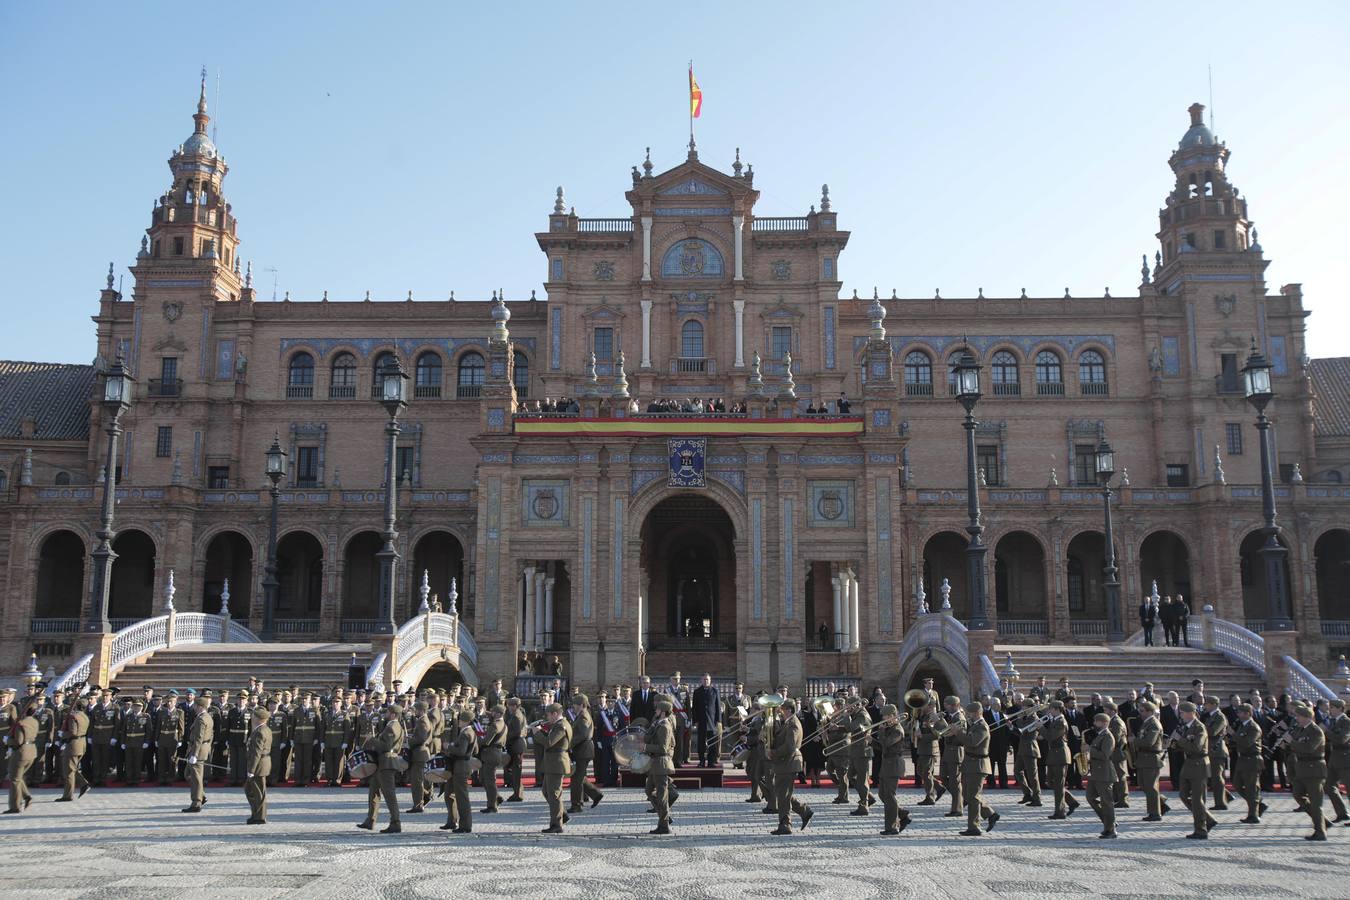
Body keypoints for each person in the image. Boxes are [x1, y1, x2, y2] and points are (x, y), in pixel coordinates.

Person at [357, 703, 405, 834]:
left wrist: (372, 740)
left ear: (393, 714)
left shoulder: (392, 727)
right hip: (383, 763)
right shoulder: (392, 726)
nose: (385, 714)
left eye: (388, 712)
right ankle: (370, 820)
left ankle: (395, 823)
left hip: (387, 763)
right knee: (374, 791)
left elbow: (386, 746)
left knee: (389, 794)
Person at [768, 698, 813, 835]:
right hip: (785, 763)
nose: (780, 712)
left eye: (782, 709)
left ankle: (785, 824)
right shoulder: (787, 723)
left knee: (783, 795)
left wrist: (774, 753)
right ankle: (804, 811)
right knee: (782, 793)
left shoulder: (793, 723)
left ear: (789, 710)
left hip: (789, 762)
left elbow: (790, 746)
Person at [1174, 701, 1217, 839]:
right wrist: (1175, 744)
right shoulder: (1187, 727)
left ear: (1191, 713)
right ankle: (1208, 819)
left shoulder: (1199, 728)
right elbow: (1186, 745)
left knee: (1198, 799)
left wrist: (1180, 740)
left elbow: (1197, 747)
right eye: (1181, 712)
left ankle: (1201, 829)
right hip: (1189, 763)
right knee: (1183, 795)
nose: (1181, 715)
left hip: (1199, 764)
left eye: (1183, 712)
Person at [1288, 702, 1328, 841]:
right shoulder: (1302, 729)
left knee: (1316, 803)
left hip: (1314, 769)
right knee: (1298, 794)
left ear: (1306, 717)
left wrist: (1292, 742)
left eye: (1298, 716)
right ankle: (1322, 822)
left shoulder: (1315, 731)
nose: (1296, 718)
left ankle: (1320, 831)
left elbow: (1308, 748)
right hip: (1302, 769)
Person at [875, 703, 912, 835]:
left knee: (890, 796)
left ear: (892, 715)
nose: (884, 719)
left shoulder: (897, 729)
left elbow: (887, 743)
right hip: (887, 764)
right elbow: (882, 746)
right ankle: (901, 813)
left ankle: (892, 827)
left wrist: (880, 731)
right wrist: (871, 741)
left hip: (894, 764)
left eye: (885, 716)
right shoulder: (889, 728)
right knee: (882, 794)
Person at [1131, 700, 1169, 821]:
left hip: (1151, 758)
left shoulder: (1153, 724)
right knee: (1143, 785)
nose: (1140, 713)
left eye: (1142, 711)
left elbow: (1149, 742)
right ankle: (1160, 802)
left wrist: (1134, 741)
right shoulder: (1146, 723)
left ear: (1150, 712)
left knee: (1150, 787)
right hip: (1144, 759)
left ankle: (1155, 813)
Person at [536, 703, 571, 834]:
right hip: (553, 763)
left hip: (557, 763)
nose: (548, 718)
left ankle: (556, 824)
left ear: (555, 714)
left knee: (554, 794)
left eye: (549, 715)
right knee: (546, 791)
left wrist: (538, 733)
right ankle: (562, 814)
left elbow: (549, 742)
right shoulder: (558, 725)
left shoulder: (561, 726)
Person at [442, 710, 478, 833]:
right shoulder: (470, 732)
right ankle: (452, 821)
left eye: (460, 720)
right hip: (460, 766)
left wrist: (449, 747)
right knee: (449, 793)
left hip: (461, 767)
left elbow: (461, 751)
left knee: (462, 797)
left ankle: (465, 825)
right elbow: (476, 749)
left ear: (465, 721)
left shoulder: (466, 733)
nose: (458, 722)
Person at [1042, 700, 1079, 819]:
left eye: (1051, 709)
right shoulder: (1055, 720)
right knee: (1052, 782)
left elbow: (1051, 737)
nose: (1049, 711)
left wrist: (1040, 727)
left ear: (1057, 709)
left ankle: (1060, 812)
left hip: (1060, 754)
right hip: (1054, 754)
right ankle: (1072, 801)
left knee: (1058, 784)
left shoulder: (1061, 722)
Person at [1230, 702, 1266, 823]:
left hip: (1252, 759)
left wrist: (1233, 735)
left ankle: (1253, 814)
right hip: (1243, 759)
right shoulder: (1243, 725)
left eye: (1240, 712)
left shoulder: (1253, 727)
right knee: (1237, 784)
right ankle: (1257, 803)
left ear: (1248, 713)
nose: (1238, 714)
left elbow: (1247, 742)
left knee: (1251, 788)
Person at [567, 694, 603, 812]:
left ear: (582, 705)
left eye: (575, 705)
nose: (573, 707)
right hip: (583, 750)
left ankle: (577, 805)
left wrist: (569, 744)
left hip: (583, 751)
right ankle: (596, 794)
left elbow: (583, 735)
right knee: (579, 777)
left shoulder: (583, 717)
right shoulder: (582, 715)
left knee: (576, 779)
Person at [1084, 712, 1118, 838]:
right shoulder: (1100, 735)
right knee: (1090, 797)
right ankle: (1109, 822)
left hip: (1104, 773)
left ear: (1104, 723)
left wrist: (1090, 750)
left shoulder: (1108, 736)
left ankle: (1111, 830)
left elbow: (1105, 755)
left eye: (1096, 721)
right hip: (1096, 773)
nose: (1094, 724)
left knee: (1107, 802)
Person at [644, 700, 676, 834]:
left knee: (661, 796)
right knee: (649, 790)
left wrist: (646, 747)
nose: (655, 711)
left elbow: (663, 748)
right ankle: (665, 818)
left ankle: (664, 825)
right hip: (656, 764)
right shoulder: (658, 723)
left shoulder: (665, 726)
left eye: (657, 709)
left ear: (662, 712)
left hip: (661, 764)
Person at [5, 697, 39, 814]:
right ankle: (26, 796)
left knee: (14, 779)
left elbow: (18, 741)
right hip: (32, 751)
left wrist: (8, 741)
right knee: (18, 777)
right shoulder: (35, 721)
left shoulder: (21, 723)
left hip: (21, 752)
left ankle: (14, 806)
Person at [182, 696, 213, 813]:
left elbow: (199, 738)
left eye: (195, 705)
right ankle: (201, 796)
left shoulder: (201, 719)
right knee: (188, 774)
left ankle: (196, 802)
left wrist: (194, 754)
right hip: (201, 749)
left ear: (200, 706)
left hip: (198, 750)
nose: (194, 707)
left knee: (195, 777)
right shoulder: (207, 717)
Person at [56, 697, 91, 802]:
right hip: (82, 744)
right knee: (72, 768)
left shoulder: (73, 716)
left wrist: (63, 734)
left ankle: (69, 794)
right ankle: (83, 784)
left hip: (73, 745)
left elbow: (73, 732)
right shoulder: (85, 716)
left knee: (69, 771)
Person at [244, 706, 272, 824]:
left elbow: (256, 753)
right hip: (261, 764)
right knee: (251, 790)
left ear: (259, 719)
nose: (252, 718)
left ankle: (259, 817)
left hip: (259, 766)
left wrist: (251, 770)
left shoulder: (260, 732)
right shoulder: (265, 729)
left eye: (254, 716)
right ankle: (256, 814)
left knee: (258, 792)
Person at [1013, 698, 1042, 806]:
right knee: (1017, 771)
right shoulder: (1026, 717)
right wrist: (1011, 727)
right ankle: (1027, 793)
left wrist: (1018, 720)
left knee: (1032, 775)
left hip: (1030, 748)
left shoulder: (1034, 718)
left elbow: (1023, 729)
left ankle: (1037, 798)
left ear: (1030, 707)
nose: (1022, 709)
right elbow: (1020, 733)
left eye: (1024, 707)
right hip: (1022, 748)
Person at [1326, 698, 1350, 824]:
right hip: (1334, 757)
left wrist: (1326, 731)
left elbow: (1342, 739)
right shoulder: (1334, 721)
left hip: (1345, 758)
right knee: (1329, 785)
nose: (1330, 710)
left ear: (1340, 709)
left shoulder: (1346, 722)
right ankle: (1342, 813)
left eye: (1333, 708)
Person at [406, 701, 432, 814]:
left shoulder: (422, 721)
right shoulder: (423, 720)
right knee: (419, 779)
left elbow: (421, 738)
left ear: (421, 710)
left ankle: (418, 804)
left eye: (415, 709)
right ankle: (426, 796)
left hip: (420, 753)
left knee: (417, 781)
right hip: (421, 753)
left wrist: (409, 741)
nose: (414, 711)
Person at [479, 705, 507, 813]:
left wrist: (476, 739)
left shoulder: (495, 725)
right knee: (484, 778)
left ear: (499, 714)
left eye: (494, 712)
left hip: (491, 753)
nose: (492, 714)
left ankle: (492, 806)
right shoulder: (503, 724)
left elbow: (486, 741)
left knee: (489, 781)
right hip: (496, 752)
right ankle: (496, 798)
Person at [119, 699, 151, 787]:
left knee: (137, 762)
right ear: (133, 707)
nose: (137, 708)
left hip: (139, 742)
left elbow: (148, 731)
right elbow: (124, 730)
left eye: (139, 706)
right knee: (128, 762)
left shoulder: (146, 716)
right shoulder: (128, 717)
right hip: (129, 742)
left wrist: (146, 742)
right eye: (135, 706)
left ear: (142, 707)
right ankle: (129, 780)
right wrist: (122, 742)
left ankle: (136, 780)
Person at [692, 674, 721, 768]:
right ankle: (701, 761)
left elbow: (718, 707)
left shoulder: (715, 691)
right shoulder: (697, 692)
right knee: (701, 743)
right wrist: (695, 720)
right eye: (704, 680)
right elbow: (694, 708)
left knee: (712, 743)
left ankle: (711, 761)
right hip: (701, 721)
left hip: (712, 722)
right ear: (701, 680)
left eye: (707, 680)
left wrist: (718, 721)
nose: (706, 681)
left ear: (710, 680)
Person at [503, 697, 527, 802]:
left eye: (509, 705)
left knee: (516, 771)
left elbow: (517, 732)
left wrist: (505, 737)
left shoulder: (517, 716)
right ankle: (518, 792)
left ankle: (518, 794)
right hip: (516, 745)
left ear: (514, 706)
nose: (508, 707)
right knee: (514, 770)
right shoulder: (516, 714)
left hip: (516, 745)